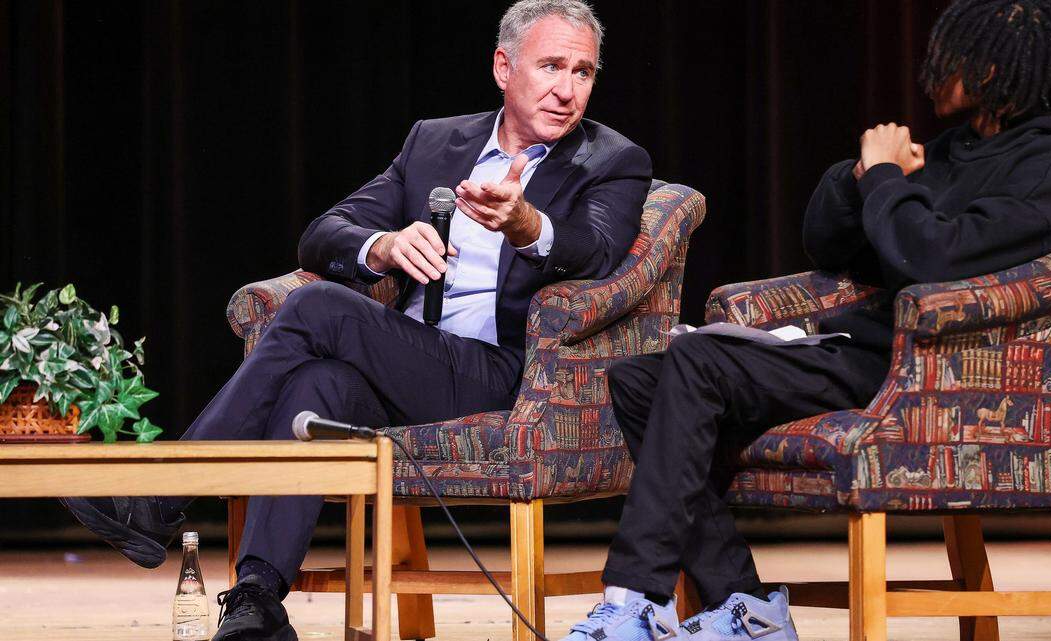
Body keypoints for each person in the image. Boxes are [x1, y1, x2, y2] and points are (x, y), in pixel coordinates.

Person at [61, 2, 651, 640]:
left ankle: (162, 495)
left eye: (584, 71)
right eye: (552, 66)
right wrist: (384, 247)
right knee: (312, 388)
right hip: (419, 360)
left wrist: (526, 223)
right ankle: (258, 598)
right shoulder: (435, 142)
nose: (569, 89)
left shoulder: (612, 160)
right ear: (503, 67)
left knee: (318, 307)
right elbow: (324, 234)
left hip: (514, 379)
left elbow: (595, 249)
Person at [562, 2, 1051, 641]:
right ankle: (745, 607)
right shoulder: (959, 149)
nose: (936, 72)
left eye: (953, 58)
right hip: (870, 348)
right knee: (639, 382)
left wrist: (889, 177)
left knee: (697, 360)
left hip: (935, 370)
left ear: (991, 68)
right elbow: (833, 246)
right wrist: (858, 178)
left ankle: (636, 599)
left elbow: (928, 257)